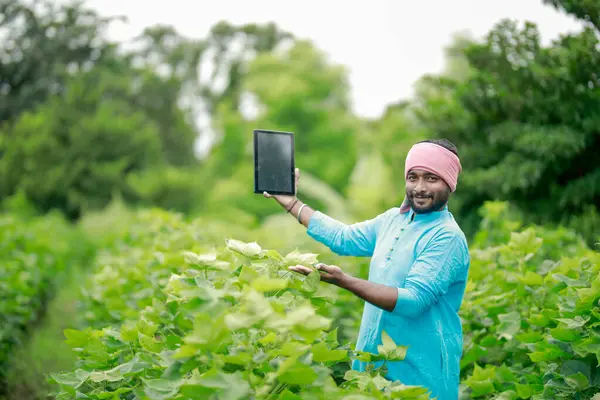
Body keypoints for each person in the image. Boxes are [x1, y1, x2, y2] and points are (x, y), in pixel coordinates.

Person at [263, 139, 470, 400]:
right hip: (372, 368)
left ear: (449, 183)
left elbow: (415, 301)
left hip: (418, 376)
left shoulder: (446, 237)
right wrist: (291, 202)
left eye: (431, 178)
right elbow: (343, 237)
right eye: (412, 177)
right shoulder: (393, 219)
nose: (419, 187)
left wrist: (346, 281)